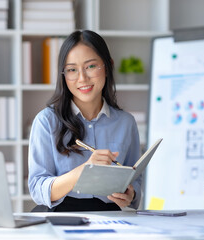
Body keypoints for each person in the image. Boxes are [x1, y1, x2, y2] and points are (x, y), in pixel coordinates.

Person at [28, 30, 141, 212]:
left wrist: (131, 195)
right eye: (72, 70)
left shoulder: (126, 123)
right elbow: (37, 188)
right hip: (61, 215)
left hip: (111, 217)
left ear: (108, 66)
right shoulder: (46, 121)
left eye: (90, 66)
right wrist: (83, 171)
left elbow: (135, 181)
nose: (82, 78)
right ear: (63, 75)